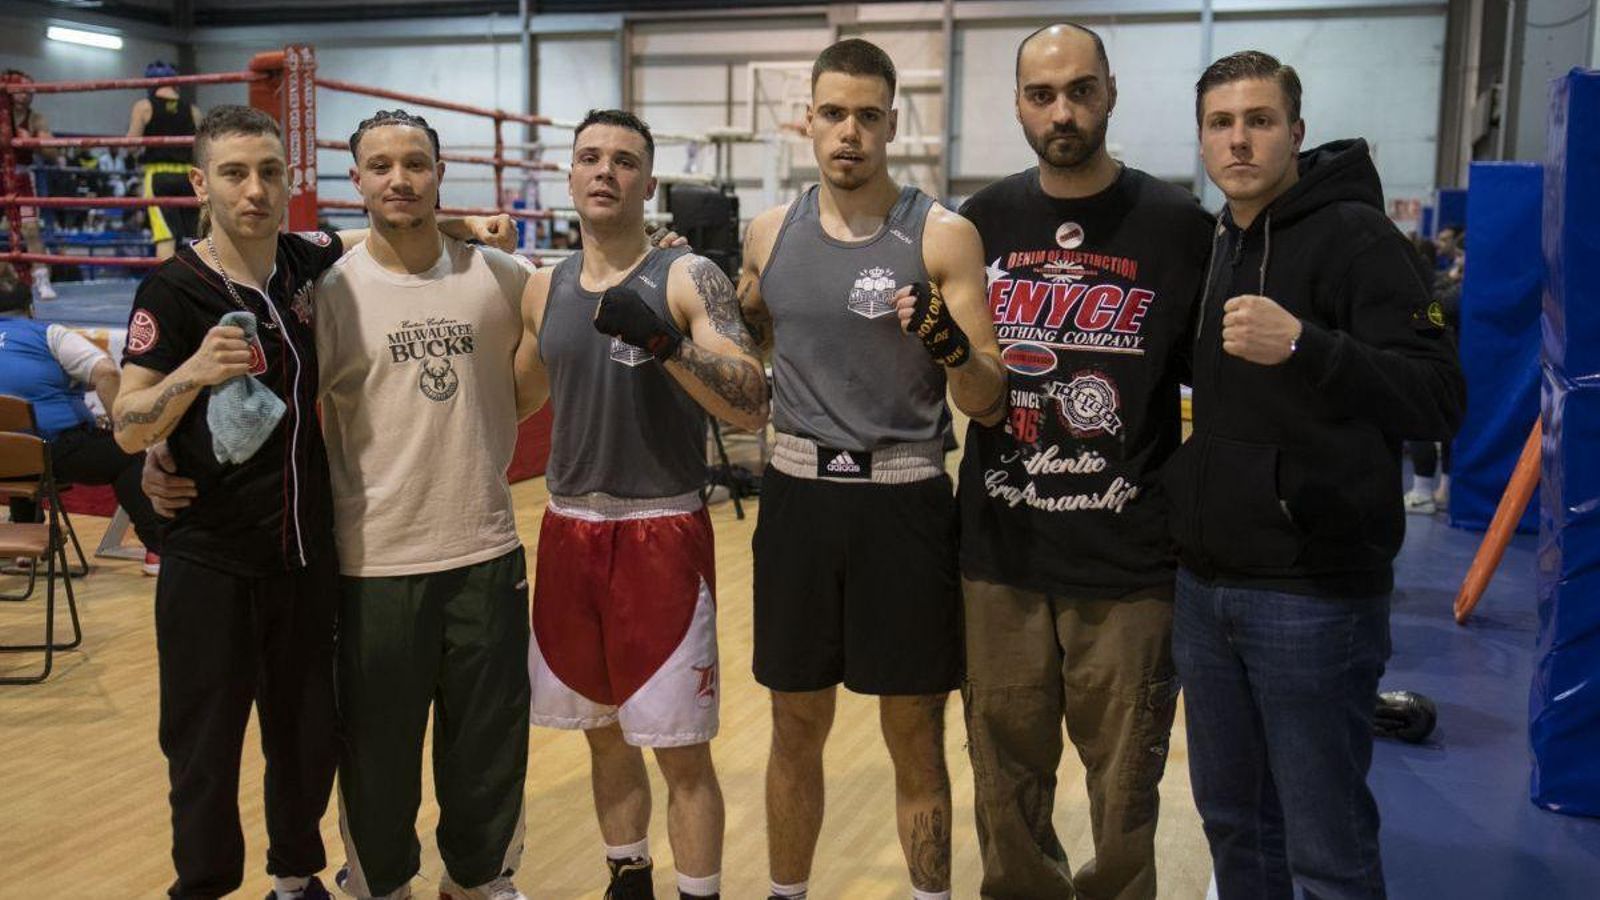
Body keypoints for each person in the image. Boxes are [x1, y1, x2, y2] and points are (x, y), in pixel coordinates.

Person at [119, 104, 512, 900]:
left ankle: (295, 881)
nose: (254, 191)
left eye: (269, 173)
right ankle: (201, 887)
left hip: (302, 557)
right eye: (234, 174)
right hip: (211, 559)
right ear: (199, 184)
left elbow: (390, 224)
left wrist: (466, 223)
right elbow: (129, 424)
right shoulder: (173, 290)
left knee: (306, 743)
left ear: (290, 180)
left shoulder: (305, 263)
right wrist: (192, 374)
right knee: (204, 748)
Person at [1165, 50, 1464, 899]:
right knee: (1234, 827)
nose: (1239, 140)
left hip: (1314, 596)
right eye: (1221, 123)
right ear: (1201, 139)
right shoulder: (1218, 239)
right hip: (1207, 590)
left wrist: (1305, 344)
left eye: (1259, 121)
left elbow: (1439, 397)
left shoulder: (1360, 238)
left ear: (1295, 132)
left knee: (1326, 848)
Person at [736, 38, 1007, 900]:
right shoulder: (768, 234)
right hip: (797, 499)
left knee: (915, 732)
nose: (848, 132)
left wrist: (950, 345)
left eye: (867, 116)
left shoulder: (943, 234)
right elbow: (752, 337)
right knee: (793, 724)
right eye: (832, 113)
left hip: (904, 500)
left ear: (893, 124)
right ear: (807, 121)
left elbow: (988, 398)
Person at [955, 23, 1214, 900]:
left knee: (1126, 787)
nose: (1061, 112)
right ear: (1018, 105)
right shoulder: (978, 224)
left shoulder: (1178, 227)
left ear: (1110, 93)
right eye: (1041, 95)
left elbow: (1220, 394)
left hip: (1130, 559)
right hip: (1001, 550)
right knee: (1003, 778)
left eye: (1079, 91)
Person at [518, 108, 767, 900]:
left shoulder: (686, 277)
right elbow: (512, 400)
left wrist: (665, 342)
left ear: (648, 182)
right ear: (569, 176)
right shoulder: (542, 287)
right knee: (602, 734)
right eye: (590, 157)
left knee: (680, 749)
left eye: (624, 161)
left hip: (660, 530)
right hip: (569, 528)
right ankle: (627, 877)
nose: (605, 172)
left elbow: (751, 403)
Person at [314, 109, 533, 900]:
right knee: (376, 754)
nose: (399, 179)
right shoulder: (331, 292)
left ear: (441, 174)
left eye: (415, 163)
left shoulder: (502, 276)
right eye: (380, 166)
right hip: (373, 560)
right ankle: (381, 884)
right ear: (356, 181)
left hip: (485, 548)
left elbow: (538, 372)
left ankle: (477, 882)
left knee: (488, 747)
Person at [0, 314, 164, 573]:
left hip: (8, 460)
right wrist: (124, 430)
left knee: (18, 447)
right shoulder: (48, 334)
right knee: (126, 455)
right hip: (54, 450)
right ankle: (158, 549)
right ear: (30, 309)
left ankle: (25, 545)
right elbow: (107, 372)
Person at [127, 60, 202, 259]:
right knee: (194, 237)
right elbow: (201, 148)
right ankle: (198, 278)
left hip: (158, 175)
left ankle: (168, 280)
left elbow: (131, 145)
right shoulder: (192, 109)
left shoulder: (144, 106)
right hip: (189, 176)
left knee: (165, 236)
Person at [2, 68, 57, 301]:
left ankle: (42, 280)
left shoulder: (35, 119)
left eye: (28, 89)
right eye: (19, 89)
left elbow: (52, 152)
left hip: (21, 178)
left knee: (31, 229)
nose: (24, 94)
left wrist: (32, 141)